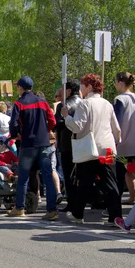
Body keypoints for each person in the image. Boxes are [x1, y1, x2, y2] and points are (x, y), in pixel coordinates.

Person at [62, 74, 122, 225]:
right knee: (110, 183)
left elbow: (78, 126)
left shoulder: (85, 104)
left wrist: (66, 117)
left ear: (89, 87)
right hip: (107, 147)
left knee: (84, 182)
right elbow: (116, 128)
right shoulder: (107, 103)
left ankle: (78, 213)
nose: (81, 89)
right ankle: (115, 216)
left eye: (83, 86)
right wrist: (116, 142)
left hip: (90, 147)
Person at [7, 76, 58, 220]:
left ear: (21, 88)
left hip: (28, 143)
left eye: (18, 86)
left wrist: (16, 135)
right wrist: (45, 131)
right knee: (48, 177)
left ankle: (20, 208)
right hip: (44, 143)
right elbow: (52, 120)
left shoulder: (19, 103)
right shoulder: (42, 102)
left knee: (23, 177)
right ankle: (52, 211)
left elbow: (14, 123)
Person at [113, 72, 135, 204]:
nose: (115, 85)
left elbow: (116, 122)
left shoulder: (120, 99)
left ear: (120, 82)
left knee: (120, 175)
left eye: (115, 82)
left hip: (124, 145)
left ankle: (115, 204)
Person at [54, 80, 81, 213]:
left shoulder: (63, 105)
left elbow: (56, 123)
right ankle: (79, 202)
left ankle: (72, 203)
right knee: (80, 175)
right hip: (81, 143)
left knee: (69, 176)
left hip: (67, 144)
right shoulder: (83, 103)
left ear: (69, 91)